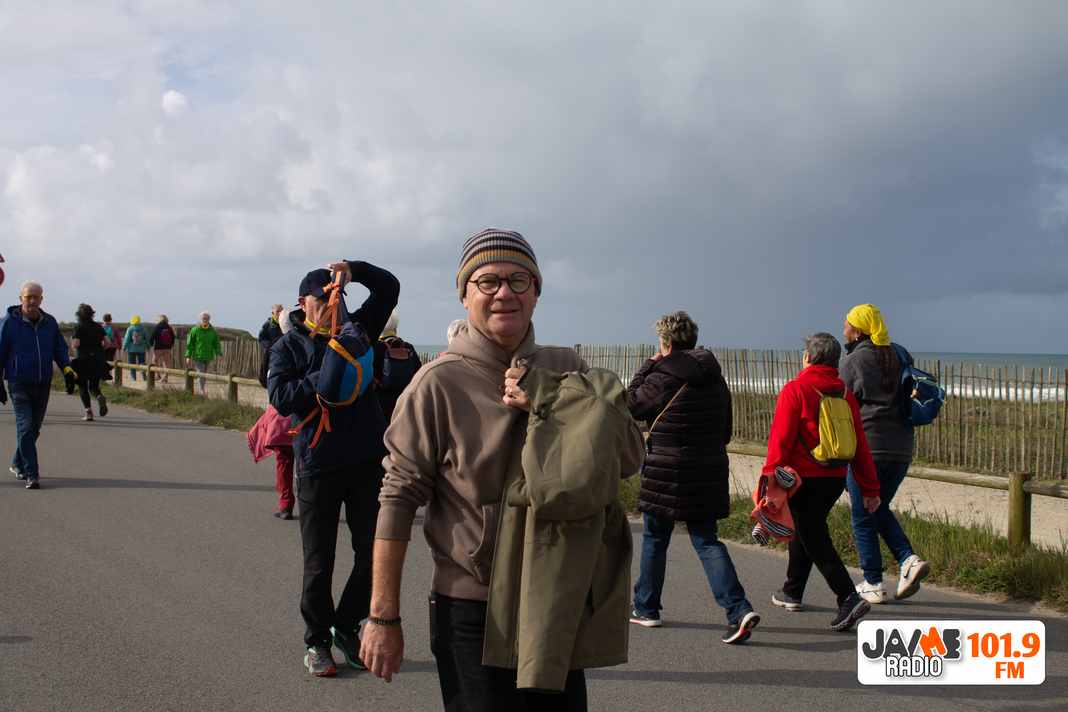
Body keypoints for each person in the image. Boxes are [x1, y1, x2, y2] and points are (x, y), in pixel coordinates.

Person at [361, 228, 644, 710]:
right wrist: (383, 617)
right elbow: (397, 498)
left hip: (555, 595)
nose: (504, 293)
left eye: (519, 279)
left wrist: (552, 399)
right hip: (473, 609)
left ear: (536, 291)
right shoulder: (437, 384)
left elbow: (629, 457)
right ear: (464, 294)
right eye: (487, 281)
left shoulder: (567, 367)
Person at [268, 260, 399, 677]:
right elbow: (281, 397)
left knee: (374, 553)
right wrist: (326, 376)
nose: (330, 304)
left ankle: (346, 625)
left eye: (335, 296)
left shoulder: (359, 330)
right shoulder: (287, 347)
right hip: (318, 465)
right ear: (302, 302)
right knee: (319, 562)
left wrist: (354, 269)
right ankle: (317, 642)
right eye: (321, 298)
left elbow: (389, 288)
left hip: (367, 462)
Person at [626, 311, 759, 643]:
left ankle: (646, 608)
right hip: (708, 468)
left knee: (655, 538)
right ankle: (738, 610)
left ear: (667, 345)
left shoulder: (661, 376)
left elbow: (630, 406)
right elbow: (726, 432)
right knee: (706, 540)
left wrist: (647, 366)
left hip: (666, 469)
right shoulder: (716, 378)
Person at [764, 332, 882, 631]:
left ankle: (848, 597)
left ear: (807, 357)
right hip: (835, 479)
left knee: (815, 538)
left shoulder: (795, 389)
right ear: (835, 361)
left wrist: (770, 476)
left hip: (802, 479)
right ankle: (791, 591)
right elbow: (861, 445)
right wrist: (870, 487)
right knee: (805, 531)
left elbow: (781, 438)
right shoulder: (845, 394)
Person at [841, 304, 931, 604]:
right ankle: (908, 561)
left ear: (858, 331)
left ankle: (873, 581)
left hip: (869, 450)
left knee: (862, 514)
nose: (844, 330)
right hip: (902, 449)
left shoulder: (853, 360)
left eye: (847, 325)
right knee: (876, 508)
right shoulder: (900, 353)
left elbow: (840, 403)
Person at [0, 281, 76, 489]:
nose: (32, 301)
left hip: (43, 384)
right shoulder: (9, 323)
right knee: (25, 426)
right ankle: (32, 473)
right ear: (21, 298)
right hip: (19, 383)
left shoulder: (49, 322)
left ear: (42, 299)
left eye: (36, 297)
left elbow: (60, 350)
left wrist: (67, 370)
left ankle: (18, 463)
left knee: (34, 429)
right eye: (28, 297)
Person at [375, 309, 422, 422]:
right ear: (395, 327)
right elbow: (420, 377)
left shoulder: (372, 349)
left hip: (378, 406)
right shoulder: (408, 348)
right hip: (402, 405)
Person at [71, 303, 112, 422]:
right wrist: (101, 350)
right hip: (97, 359)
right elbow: (108, 342)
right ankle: (99, 396)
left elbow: (76, 344)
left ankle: (89, 413)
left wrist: (74, 347)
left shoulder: (78, 327)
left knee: (82, 386)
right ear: (92, 314)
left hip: (83, 359)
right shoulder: (98, 327)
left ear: (79, 315)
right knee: (94, 386)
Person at [186, 312, 222, 395]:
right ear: (200, 319)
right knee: (201, 372)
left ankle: (202, 389)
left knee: (205, 373)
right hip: (198, 355)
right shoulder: (195, 330)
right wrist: (188, 356)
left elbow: (216, 343)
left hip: (208, 355)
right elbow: (190, 344)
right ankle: (201, 390)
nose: (205, 320)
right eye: (203, 318)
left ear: (209, 320)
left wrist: (218, 354)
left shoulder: (212, 331)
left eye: (206, 318)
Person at [149, 315, 176, 384]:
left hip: (158, 348)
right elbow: (173, 338)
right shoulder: (169, 328)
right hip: (167, 348)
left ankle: (157, 374)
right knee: (166, 363)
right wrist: (170, 346)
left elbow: (153, 337)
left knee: (155, 361)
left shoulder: (157, 327)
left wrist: (151, 344)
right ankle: (165, 378)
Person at [122, 315, 150, 380]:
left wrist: (124, 348)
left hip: (131, 349)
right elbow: (147, 338)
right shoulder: (143, 328)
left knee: (132, 363)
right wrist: (148, 347)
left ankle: (133, 376)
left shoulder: (130, 328)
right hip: (141, 349)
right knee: (141, 361)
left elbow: (127, 339)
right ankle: (142, 370)